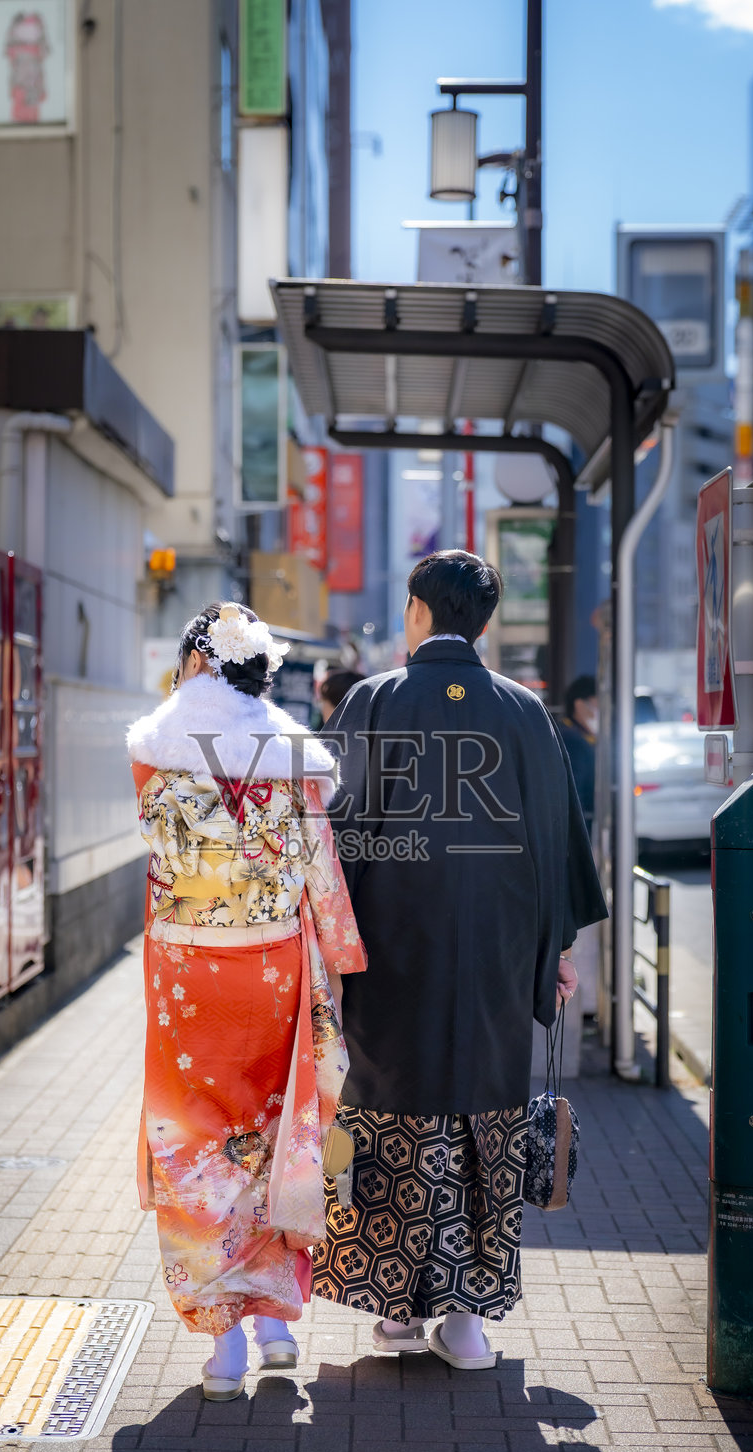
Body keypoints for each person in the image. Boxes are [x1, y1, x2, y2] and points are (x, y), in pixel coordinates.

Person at [313, 551, 606, 1369]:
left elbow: (339, 839)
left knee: (391, 1115)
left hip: (391, 955)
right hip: (497, 960)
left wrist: (333, 954)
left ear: (416, 612)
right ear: (481, 623)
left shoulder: (373, 700)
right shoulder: (522, 712)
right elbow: (556, 841)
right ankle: (468, 1322)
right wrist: (554, 949)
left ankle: (398, 1317)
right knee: (484, 1116)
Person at [127, 603, 366, 1402]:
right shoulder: (292, 753)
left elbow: (163, 865)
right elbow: (321, 875)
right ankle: (274, 1326)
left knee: (194, 1144)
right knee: (276, 1137)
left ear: (197, 662)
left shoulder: (153, 750)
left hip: (186, 974)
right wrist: (342, 958)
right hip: (273, 973)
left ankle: (223, 1343)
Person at [557, 674, 598, 834]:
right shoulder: (572, 739)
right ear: (580, 705)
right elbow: (575, 793)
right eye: (597, 704)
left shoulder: (580, 736)